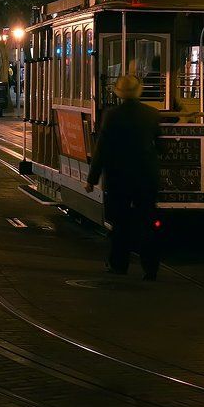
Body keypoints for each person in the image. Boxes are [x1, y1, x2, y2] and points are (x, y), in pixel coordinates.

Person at [85, 74, 162, 280]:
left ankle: (119, 264)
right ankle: (151, 268)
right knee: (148, 221)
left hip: (120, 178)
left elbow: (102, 149)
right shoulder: (152, 114)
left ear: (119, 94)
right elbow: (160, 146)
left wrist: (92, 179)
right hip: (146, 177)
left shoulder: (111, 115)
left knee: (120, 224)